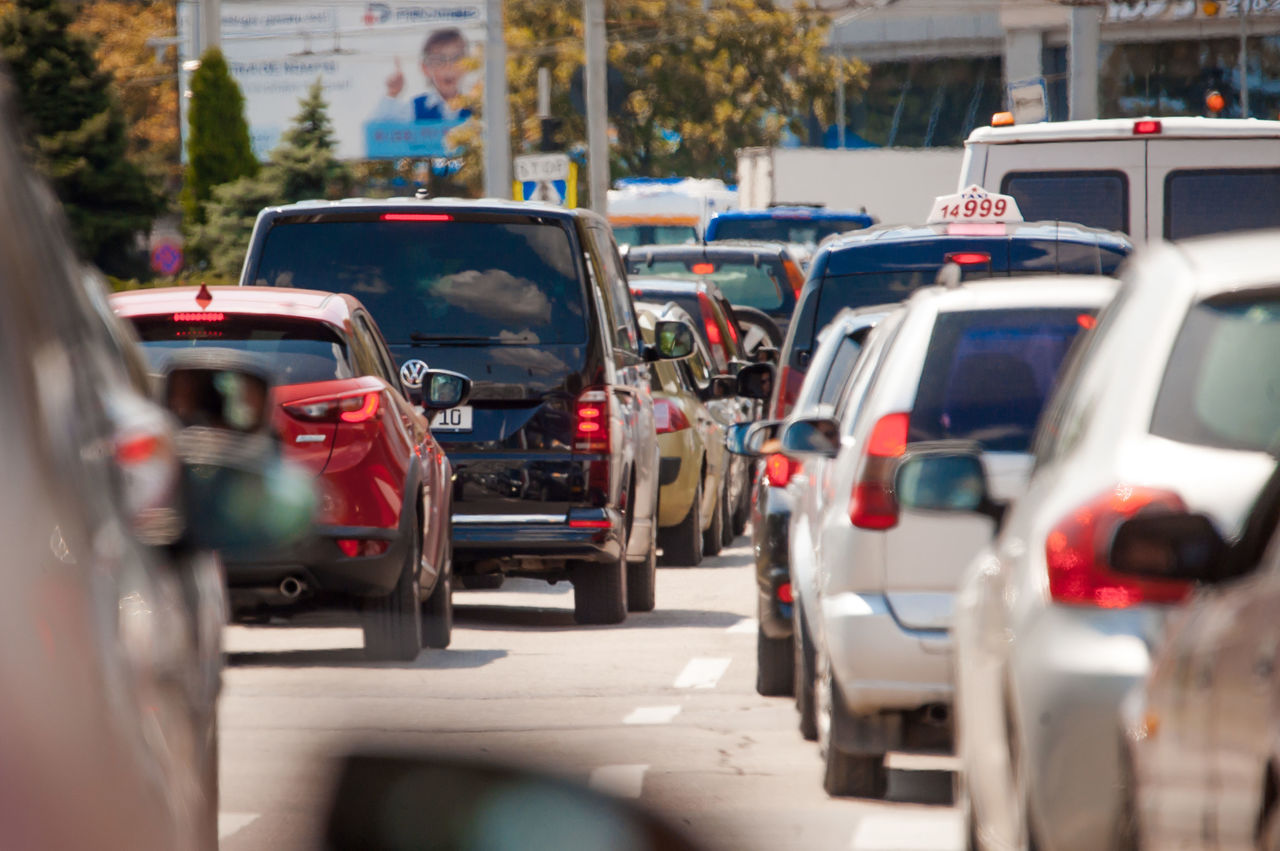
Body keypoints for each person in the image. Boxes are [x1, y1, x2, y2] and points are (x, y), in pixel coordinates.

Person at [368, 27, 473, 123]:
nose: (449, 66)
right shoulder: (415, 108)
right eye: (439, 61)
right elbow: (376, 128)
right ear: (425, 68)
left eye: (456, 59)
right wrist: (392, 93)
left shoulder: (477, 107)